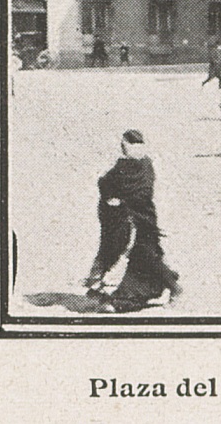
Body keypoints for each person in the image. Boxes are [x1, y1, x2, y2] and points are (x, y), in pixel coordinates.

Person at [84, 130, 181, 313]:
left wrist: (114, 196)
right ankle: (164, 287)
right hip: (143, 217)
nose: (123, 148)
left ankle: (170, 287)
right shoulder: (146, 164)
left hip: (132, 220)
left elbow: (105, 183)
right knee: (147, 255)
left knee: (142, 255)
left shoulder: (126, 167)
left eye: (125, 145)